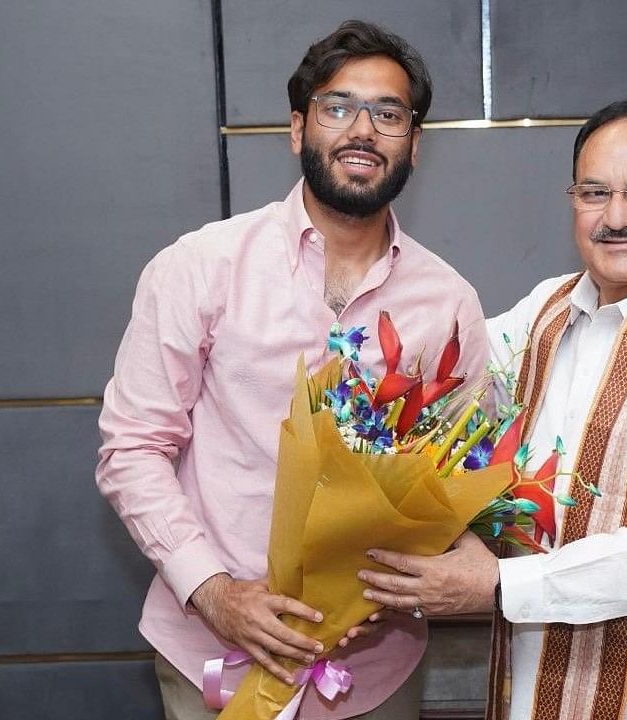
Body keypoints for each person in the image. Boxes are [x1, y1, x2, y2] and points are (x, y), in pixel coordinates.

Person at [96, 20, 488, 720]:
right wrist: (214, 591)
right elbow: (132, 449)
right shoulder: (200, 267)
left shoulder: (448, 302)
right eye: (339, 107)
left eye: (389, 114)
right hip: (212, 657)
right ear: (298, 128)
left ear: (415, 144)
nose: (362, 129)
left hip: (374, 670)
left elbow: (458, 480)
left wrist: (401, 588)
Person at [358, 99, 627, 719]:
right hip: (542, 691)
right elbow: (444, 389)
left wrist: (499, 584)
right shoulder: (549, 312)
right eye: (595, 193)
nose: (616, 217)